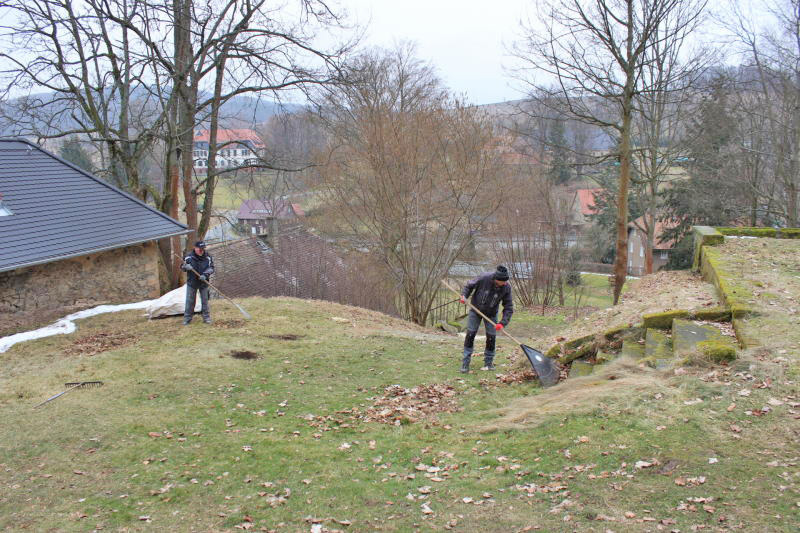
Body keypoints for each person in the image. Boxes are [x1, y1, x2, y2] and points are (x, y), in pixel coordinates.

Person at [459, 265, 514, 373]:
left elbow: (508, 306)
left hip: (491, 314)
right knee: (470, 335)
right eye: (503, 282)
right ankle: (465, 363)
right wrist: (464, 296)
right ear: (496, 279)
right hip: (476, 310)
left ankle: (488, 363)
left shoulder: (506, 287)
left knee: (491, 337)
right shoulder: (484, 278)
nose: (505, 283)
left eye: (506, 281)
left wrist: (502, 323)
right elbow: (469, 286)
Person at [182, 241, 215, 325]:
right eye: (199, 249)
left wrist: (205, 274)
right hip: (192, 282)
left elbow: (211, 268)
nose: (201, 251)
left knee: (205, 301)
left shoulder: (208, 257)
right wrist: (186, 267)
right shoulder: (189, 257)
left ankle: (206, 318)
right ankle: (187, 319)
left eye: (202, 249)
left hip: (203, 282)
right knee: (190, 301)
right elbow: (182, 267)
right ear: (195, 248)